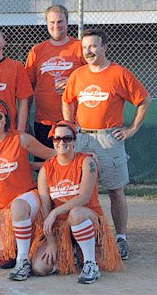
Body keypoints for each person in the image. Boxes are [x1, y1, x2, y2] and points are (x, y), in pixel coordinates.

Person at [62, 28, 152, 260]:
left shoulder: (118, 73)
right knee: (78, 191)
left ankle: (121, 238)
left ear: (104, 47)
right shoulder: (78, 75)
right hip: (82, 138)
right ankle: (82, 235)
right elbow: (67, 99)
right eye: (85, 48)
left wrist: (131, 129)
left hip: (108, 139)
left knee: (115, 190)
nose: (89, 51)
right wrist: (69, 125)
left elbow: (144, 100)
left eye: (93, 46)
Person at [0, 99, 56, 281]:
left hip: (26, 200)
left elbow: (54, 156)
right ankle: (28, 246)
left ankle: (23, 260)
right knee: (1, 260)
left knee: (17, 206)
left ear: (6, 119)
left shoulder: (20, 139)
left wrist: (83, 156)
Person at [30, 121, 122, 284]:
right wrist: (51, 242)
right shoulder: (46, 169)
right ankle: (71, 252)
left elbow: (84, 197)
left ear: (74, 140)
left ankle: (90, 263)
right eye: (57, 139)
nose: (62, 142)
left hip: (87, 220)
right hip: (60, 227)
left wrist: (55, 212)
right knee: (39, 267)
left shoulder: (87, 162)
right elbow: (45, 206)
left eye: (67, 138)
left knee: (76, 213)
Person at [25, 5, 86, 158]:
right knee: (45, 167)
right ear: (46, 23)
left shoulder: (79, 47)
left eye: (60, 22)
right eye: (52, 22)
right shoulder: (37, 51)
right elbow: (28, 89)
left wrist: (74, 82)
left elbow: (94, 79)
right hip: (44, 122)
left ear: (67, 22)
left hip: (75, 121)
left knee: (73, 167)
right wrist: (25, 120)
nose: (56, 26)